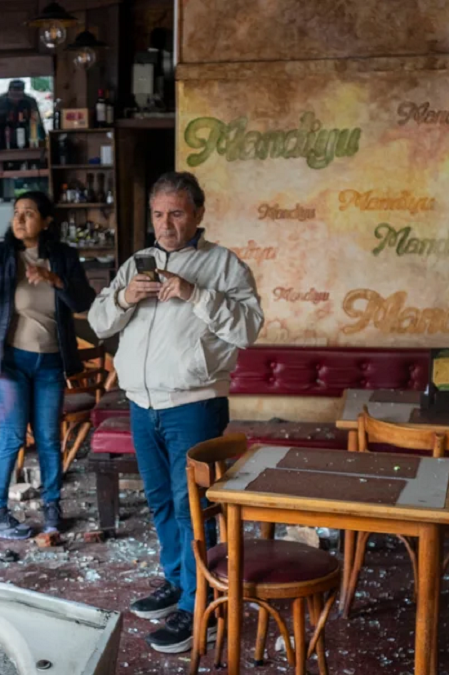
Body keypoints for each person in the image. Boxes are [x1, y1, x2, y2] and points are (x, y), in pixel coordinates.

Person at [88, 172, 264, 654]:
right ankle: (177, 581)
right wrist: (125, 297)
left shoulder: (223, 265)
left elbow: (248, 329)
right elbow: (98, 320)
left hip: (195, 405)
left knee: (194, 509)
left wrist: (193, 293)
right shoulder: (135, 265)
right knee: (162, 501)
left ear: (199, 214)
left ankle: (199, 605)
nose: (166, 225)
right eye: (159, 214)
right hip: (142, 404)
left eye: (177, 213)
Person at [0, 191, 96, 539]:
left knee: (50, 439)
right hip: (9, 362)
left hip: (51, 361)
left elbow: (84, 301)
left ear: (47, 221)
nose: (20, 220)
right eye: (16, 213)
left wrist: (55, 280)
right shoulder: (0, 254)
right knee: (12, 436)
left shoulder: (63, 257)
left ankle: (53, 505)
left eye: (30, 213)